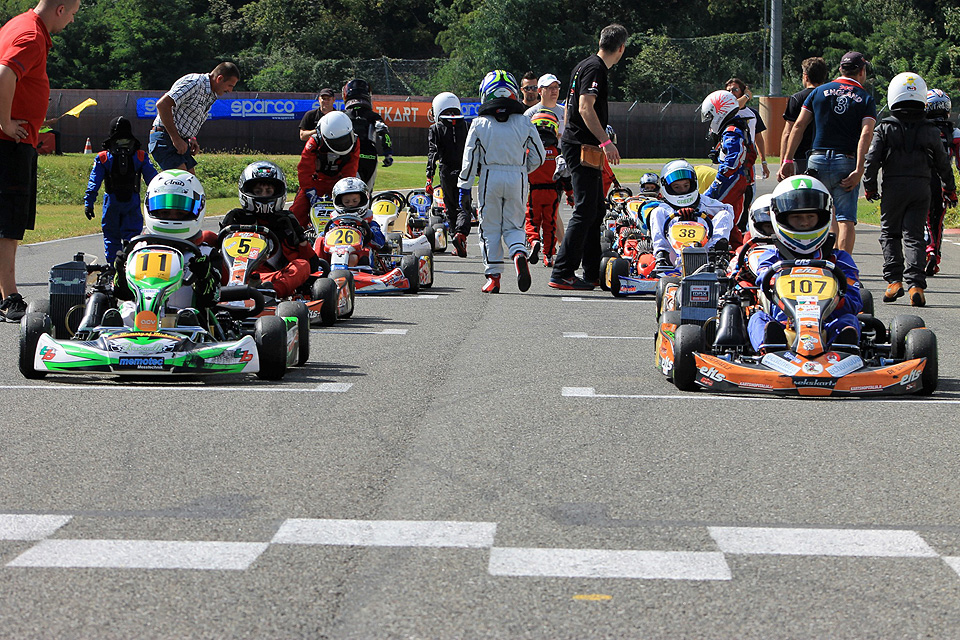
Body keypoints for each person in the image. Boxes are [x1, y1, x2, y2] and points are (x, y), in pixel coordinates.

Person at [0, 0, 79, 321]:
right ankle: (9, 297)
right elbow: (4, 73)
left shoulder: (17, 24)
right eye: (73, 13)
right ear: (60, 8)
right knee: (8, 223)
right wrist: (5, 121)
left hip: (14, 140)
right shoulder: (31, 35)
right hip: (9, 143)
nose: (72, 21)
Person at [863, 73, 956, 308]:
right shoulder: (930, 129)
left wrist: (870, 186)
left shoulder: (885, 127)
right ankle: (916, 285)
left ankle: (894, 281)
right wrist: (949, 188)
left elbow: (872, 159)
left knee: (890, 234)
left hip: (893, 187)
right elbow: (943, 162)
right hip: (921, 187)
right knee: (914, 236)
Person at [549, 23, 627, 290]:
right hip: (584, 145)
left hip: (580, 144)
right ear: (621, 48)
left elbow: (570, 108)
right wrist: (605, 141)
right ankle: (562, 272)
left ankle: (593, 272)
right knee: (584, 209)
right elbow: (584, 107)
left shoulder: (583, 65)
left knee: (596, 209)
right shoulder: (595, 69)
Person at [747, 175, 862, 354]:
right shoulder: (772, 256)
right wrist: (773, 281)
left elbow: (855, 298)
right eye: (796, 217)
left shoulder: (838, 259)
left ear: (823, 217)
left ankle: (842, 346)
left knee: (849, 320)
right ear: (782, 218)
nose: (805, 222)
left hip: (827, 323)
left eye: (811, 216)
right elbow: (763, 277)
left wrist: (838, 301)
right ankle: (769, 345)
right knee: (757, 318)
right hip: (783, 324)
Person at [778, 51, 877, 255]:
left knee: (819, 213)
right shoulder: (865, 98)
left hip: (817, 159)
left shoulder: (819, 92)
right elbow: (866, 133)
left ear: (840, 69)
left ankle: (819, 260)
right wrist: (859, 169)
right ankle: (845, 269)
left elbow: (798, 126)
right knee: (845, 219)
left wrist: (788, 158)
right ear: (862, 71)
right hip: (846, 160)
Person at [458, 69, 545, 293]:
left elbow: (469, 160)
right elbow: (540, 155)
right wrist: (522, 169)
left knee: (490, 228)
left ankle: (493, 277)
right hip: (518, 177)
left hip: (490, 176)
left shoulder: (479, 123)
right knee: (514, 225)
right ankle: (518, 254)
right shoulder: (524, 122)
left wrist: (464, 189)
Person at [112, 170, 222, 328]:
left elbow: (211, 299)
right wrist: (120, 273)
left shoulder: (206, 254)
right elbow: (123, 294)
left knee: (191, 315)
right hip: (138, 322)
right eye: (164, 212)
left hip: (188, 328)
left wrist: (204, 277)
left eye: (180, 213)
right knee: (117, 308)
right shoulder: (137, 249)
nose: (172, 218)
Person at [220, 161, 318, 297]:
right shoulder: (236, 219)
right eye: (258, 192)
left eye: (269, 191)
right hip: (232, 274)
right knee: (207, 238)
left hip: (269, 278)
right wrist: (224, 231)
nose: (264, 196)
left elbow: (312, 266)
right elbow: (216, 254)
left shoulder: (285, 223)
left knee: (302, 265)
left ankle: (271, 293)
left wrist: (300, 238)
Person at [84, 116, 159, 263]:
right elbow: (154, 181)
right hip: (132, 201)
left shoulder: (103, 157)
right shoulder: (140, 155)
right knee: (133, 238)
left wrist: (89, 203)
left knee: (111, 237)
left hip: (111, 202)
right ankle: (133, 266)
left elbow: (94, 182)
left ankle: (114, 269)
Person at [150, 62, 239, 173]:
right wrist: (176, 139)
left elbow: (188, 116)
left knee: (192, 185)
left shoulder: (211, 94)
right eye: (230, 86)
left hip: (179, 140)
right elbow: (162, 105)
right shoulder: (194, 83)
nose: (230, 91)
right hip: (164, 137)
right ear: (219, 78)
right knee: (182, 182)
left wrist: (191, 138)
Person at [649, 159, 734, 268]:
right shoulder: (664, 208)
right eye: (677, 187)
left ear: (693, 183)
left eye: (686, 185)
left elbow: (728, 209)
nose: (683, 190)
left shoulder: (703, 202)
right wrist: (679, 217)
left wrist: (697, 215)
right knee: (656, 212)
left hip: (705, 252)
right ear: (668, 187)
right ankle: (661, 257)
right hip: (673, 256)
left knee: (725, 214)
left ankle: (717, 255)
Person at [289, 110, 360, 229]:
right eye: (337, 141)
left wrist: (344, 190)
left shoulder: (355, 141)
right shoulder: (315, 141)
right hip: (316, 182)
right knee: (296, 213)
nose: (341, 144)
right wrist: (310, 192)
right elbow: (305, 169)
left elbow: (351, 169)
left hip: (339, 183)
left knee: (354, 210)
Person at [701, 89, 752, 246]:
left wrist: (721, 177)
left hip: (731, 180)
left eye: (711, 116)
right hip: (739, 179)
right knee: (729, 218)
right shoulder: (736, 127)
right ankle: (736, 249)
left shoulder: (731, 131)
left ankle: (713, 246)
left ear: (720, 111)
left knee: (709, 210)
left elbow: (733, 158)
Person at [426, 91, 470, 257]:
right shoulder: (466, 125)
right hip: (464, 170)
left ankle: (455, 237)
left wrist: (429, 177)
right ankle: (462, 235)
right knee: (464, 206)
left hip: (446, 171)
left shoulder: (435, 128)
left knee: (450, 208)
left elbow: (433, 154)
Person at [525, 109, 571, 267]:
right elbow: (565, 175)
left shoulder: (530, 152)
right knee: (550, 224)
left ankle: (534, 240)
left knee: (532, 220)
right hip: (552, 193)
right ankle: (549, 255)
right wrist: (570, 195)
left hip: (534, 192)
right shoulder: (558, 153)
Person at [923, 88, 960, 276]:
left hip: (919, 179)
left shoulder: (920, 128)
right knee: (936, 221)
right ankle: (933, 256)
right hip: (943, 181)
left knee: (919, 218)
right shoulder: (954, 132)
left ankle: (924, 251)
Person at [312, 177, 385, 268]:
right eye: (347, 201)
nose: (350, 204)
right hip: (333, 254)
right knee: (320, 240)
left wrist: (368, 233)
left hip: (357, 257)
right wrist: (324, 235)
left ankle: (357, 273)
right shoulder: (335, 223)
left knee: (360, 253)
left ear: (363, 200)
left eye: (355, 201)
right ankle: (317, 267)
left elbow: (380, 243)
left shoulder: (369, 223)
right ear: (339, 202)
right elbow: (324, 236)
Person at [724, 78, 768, 225]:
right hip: (729, 162)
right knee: (729, 196)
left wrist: (764, 161)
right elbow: (734, 107)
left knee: (747, 197)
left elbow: (759, 139)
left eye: (735, 90)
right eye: (728, 90)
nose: (731, 93)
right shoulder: (725, 111)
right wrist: (747, 96)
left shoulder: (752, 114)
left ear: (742, 91)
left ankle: (745, 228)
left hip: (747, 163)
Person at [342, 79, 393, 193]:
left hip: (347, 156)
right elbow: (384, 132)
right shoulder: (373, 116)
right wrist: (388, 153)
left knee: (346, 191)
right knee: (366, 192)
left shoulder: (342, 115)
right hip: (369, 156)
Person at [781, 57, 828, 175]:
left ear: (805, 76)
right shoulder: (829, 97)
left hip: (800, 155)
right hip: (824, 155)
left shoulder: (797, 98)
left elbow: (788, 132)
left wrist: (784, 161)